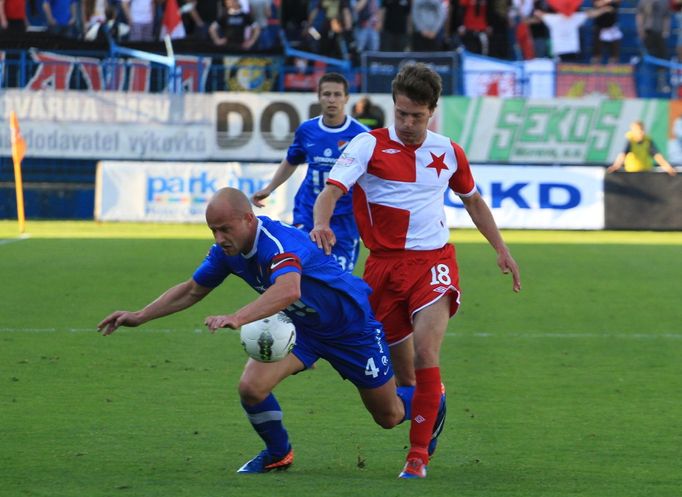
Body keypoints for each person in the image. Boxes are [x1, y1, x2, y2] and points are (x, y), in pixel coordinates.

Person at [97, 187, 418, 474]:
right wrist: (140, 316)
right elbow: (192, 289)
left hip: (351, 328)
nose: (219, 238)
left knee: (388, 416)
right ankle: (278, 454)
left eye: (225, 229)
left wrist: (238, 317)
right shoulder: (227, 254)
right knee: (251, 387)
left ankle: (430, 399)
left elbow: (288, 290)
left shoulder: (277, 243)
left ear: (249, 219)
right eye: (213, 230)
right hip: (302, 327)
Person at [311, 63, 521, 479]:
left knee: (427, 353)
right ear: (393, 106)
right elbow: (332, 192)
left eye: (417, 116)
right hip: (383, 270)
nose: (407, 124)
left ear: (433, 111)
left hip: (433, 263)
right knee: (402, 382)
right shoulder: (366, 145)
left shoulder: (448, 151)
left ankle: (417, 457)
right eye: (401, 114)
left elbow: (474, 201)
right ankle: (432, 403)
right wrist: (321, 223)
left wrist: (502, 249)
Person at [251, 73, 367, 273]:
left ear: (346, 98)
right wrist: (270, 188)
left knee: (338, 277)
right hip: (308, 214)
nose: (332, 99)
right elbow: (292, 160)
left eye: (337, 95)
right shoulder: (307, 130)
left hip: (344, 218)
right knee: (299, 270)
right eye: (327, 94)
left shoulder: (361, 135)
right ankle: (286, 303)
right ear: (318, 96)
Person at [607, 120, 677, 176]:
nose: (641, 132)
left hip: (646, 173)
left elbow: (656, 155)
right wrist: (616, 166)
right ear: (633, 130)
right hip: (632, 173)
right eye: (638, 130)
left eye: (642, 130)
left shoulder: (647, 141)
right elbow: (622, 154)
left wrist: (667, 166)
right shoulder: (630, 141)